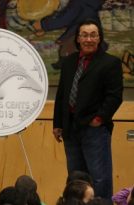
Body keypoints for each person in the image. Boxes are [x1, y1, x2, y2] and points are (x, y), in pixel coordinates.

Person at [53, 18, 123, 200]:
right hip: (70, 130)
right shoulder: (68, 62)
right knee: (75, 180)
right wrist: (58, 124)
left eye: (93, 35)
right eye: (84, 35)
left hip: (95, 130)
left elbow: (114, 97)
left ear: (99, 38)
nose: (89, 39)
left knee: (100, 179)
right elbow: (61, 95)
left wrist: (98, 120)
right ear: (78, 38)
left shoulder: (110, 63)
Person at [32, 0, 105, 70]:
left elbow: (65, 18)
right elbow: (66, 15)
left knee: (67, 48)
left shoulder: (79, 2)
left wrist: (43, 25)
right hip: (87, 30)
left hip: (80, 32)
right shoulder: (90, 3)